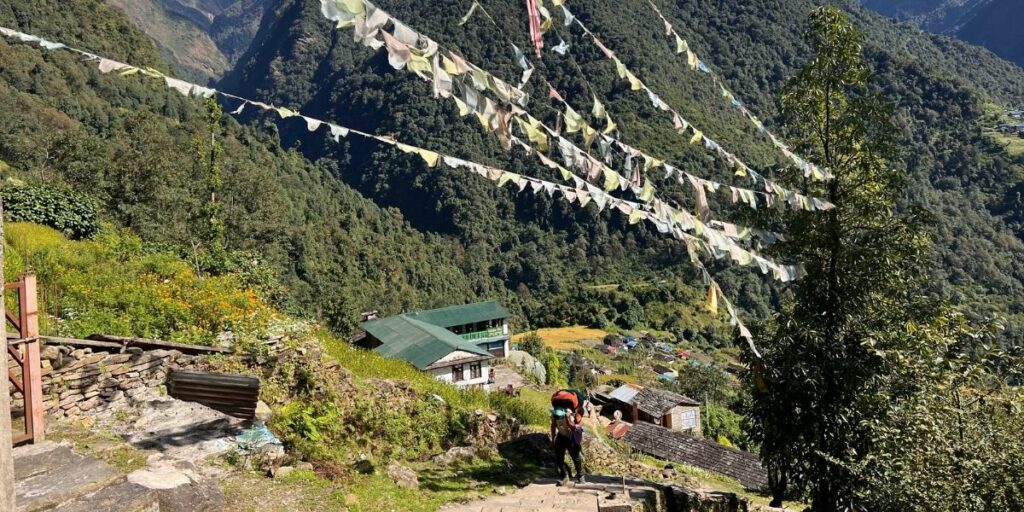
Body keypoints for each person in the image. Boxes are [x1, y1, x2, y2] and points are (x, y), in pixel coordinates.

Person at [550, 406, 585, 485]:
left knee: (576, 457)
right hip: (561, 436)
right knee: (559, 457)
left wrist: (568, 418)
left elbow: (573, 427)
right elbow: (553, 426)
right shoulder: (555, 416)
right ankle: (564, 476)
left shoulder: (571, 415)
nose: (558, 417)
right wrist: (553, 438)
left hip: (571, 437)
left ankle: (581, 476)